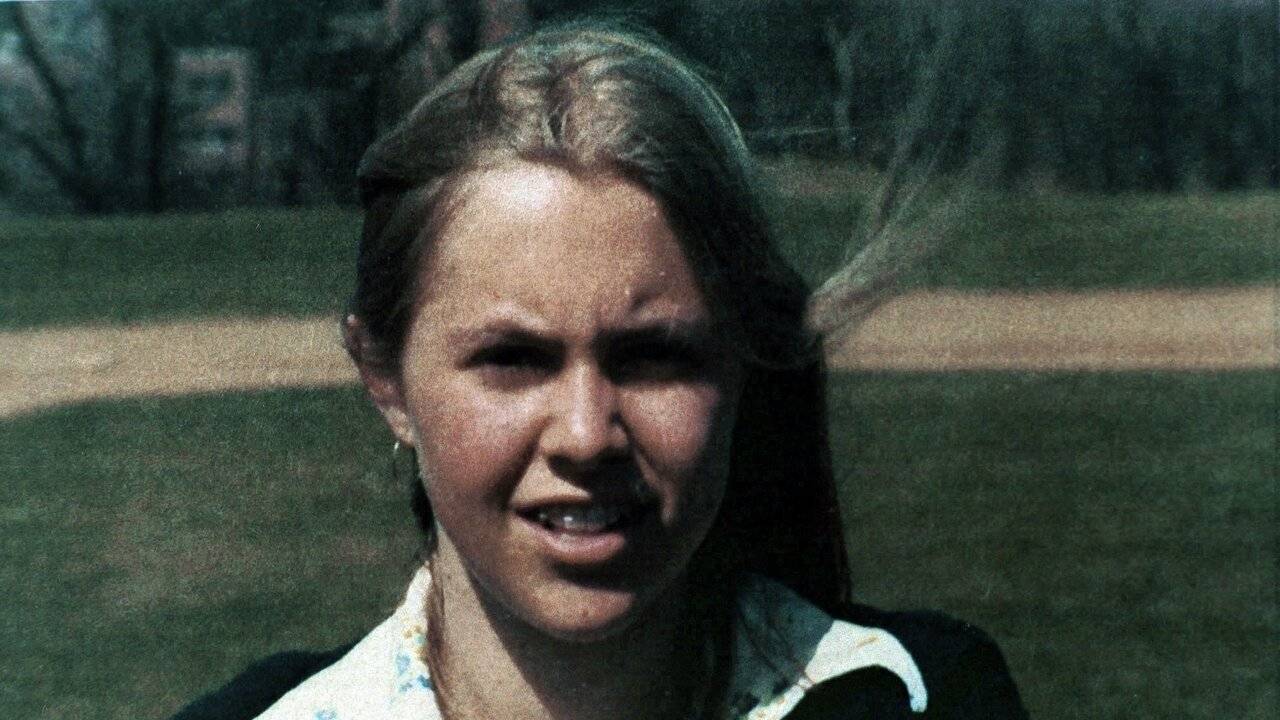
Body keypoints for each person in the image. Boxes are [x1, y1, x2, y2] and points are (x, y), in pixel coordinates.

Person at [172, 24, 1026, 720]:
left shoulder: (921, 698)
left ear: (741, 361)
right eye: (513, 359)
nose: (587, 436)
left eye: (653, 357)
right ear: (386, 378)